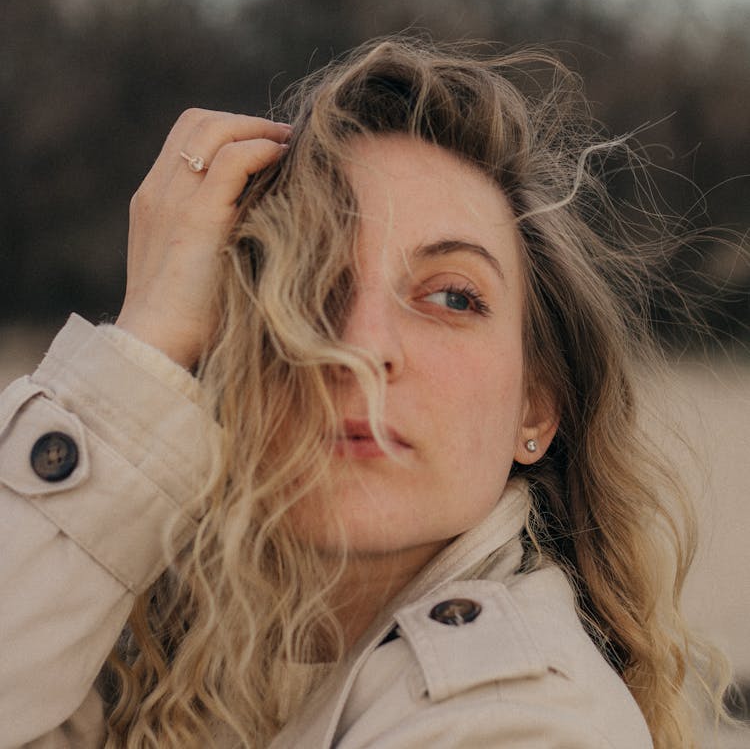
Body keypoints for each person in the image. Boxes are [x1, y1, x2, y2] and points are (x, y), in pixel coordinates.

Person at [0, 38, 734, 748]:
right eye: (313, 286)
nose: (360, 347)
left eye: (452, 297)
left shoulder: (519, 720)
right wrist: (148, 339)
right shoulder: (116, 655)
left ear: (535, 411)